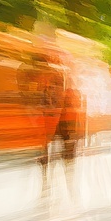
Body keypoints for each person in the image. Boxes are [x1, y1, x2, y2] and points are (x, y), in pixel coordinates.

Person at [18, 49, 84, 208]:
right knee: (47, 157)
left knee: (60, 157)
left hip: (62, 120)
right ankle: (50, 190)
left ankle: (63, 190)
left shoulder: (57, 76)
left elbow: (61, 101)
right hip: (54, 119)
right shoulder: (43, 77)